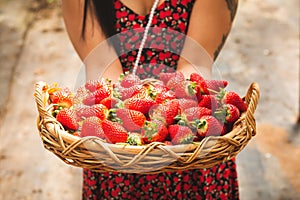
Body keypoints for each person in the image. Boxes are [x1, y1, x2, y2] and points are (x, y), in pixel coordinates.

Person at [61, 0, 239, 199]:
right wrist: (129, 127)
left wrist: (168, 119)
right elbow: (102, 67)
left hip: (190, 146)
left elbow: (196, 64)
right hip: (118, 151)